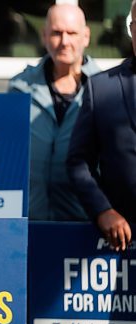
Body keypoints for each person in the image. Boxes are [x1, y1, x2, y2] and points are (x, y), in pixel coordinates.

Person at [8, 3, 100, 221]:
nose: (64, 42)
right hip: (31, 221)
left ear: (86, 36)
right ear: (44, 35)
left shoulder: (104, 88)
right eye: (57, 33)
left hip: (86, 223)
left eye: (72, 33)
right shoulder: (20, 87)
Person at [67, 2, 136, 252]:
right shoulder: (102, 88)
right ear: (131, 29)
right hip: (119, 240)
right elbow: (78, 161)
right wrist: (102, 209)